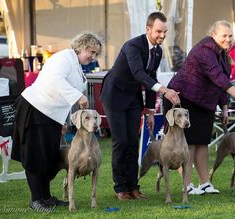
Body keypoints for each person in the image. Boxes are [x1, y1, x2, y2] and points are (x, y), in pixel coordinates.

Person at [11, 31, 102, 211]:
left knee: (48, 157)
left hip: (50, 115)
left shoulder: (76, 65)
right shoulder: (64, 58)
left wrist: (63, 120)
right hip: (35, 108)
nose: (93, 57)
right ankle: (36, 200)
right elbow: (55, 80)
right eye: (91, 52)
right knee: (35, 155)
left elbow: (62, 96)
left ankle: (45, 197)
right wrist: (78, 96)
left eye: (95, 54)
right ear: (82, 46)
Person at [99, 12, 180, 200]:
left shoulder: (158, 51)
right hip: (115, 95)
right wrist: (164, 90)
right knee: (121, 141)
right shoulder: (133, 46)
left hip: (133, 97)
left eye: (165, 32)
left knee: (133, 142)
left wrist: (150, 110)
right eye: (159, 31)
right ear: (148, 29)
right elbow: (138, 73)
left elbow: (150, 77)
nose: (162, 35)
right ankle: (120, 188)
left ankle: (133, 187)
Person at [164, 20, 235, 195]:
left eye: (230, 36)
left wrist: (224, 106)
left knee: (203, 143)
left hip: (206, 103)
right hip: (185, 99)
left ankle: (205, 183)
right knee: (189, 144)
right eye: (224, 35)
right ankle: (187, 185)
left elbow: (221, 82)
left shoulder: (222, 53)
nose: (228, 39)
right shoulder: (205, 50)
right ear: (214, 35)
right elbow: (217, 76)